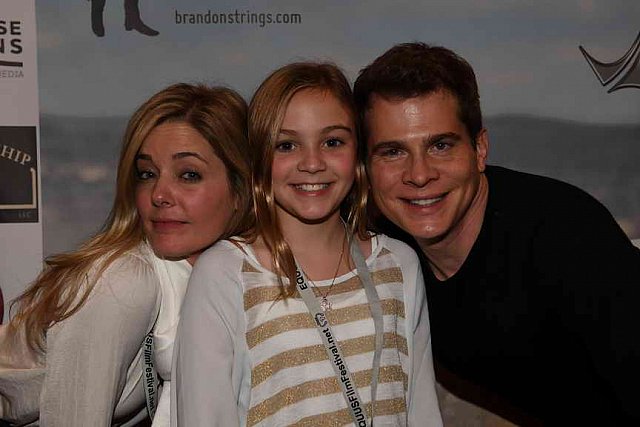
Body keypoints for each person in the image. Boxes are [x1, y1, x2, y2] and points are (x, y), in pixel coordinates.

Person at [353, 42, 640, 424]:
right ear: (366, 167)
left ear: (479, 149)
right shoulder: (387, 247)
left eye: (440, 145)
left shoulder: (566, 237)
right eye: (392, 152)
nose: (419, 174)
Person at [172, 62, 442, 426]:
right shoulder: (226, 272)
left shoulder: (398, 263)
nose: (312, 163)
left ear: (358, 152)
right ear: (260, 157)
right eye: (286, 145)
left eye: (332, 142)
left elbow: (422, 410)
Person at [0, 83, 252, 426]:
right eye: (147, 174)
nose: (159, 194)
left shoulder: (228, 278)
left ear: (240, 190)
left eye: (188, 175)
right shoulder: (123, 282)